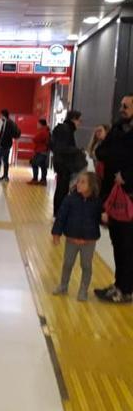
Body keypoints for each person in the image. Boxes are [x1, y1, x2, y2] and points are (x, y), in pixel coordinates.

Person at [94, 94, 133, 304]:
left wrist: (125, 176)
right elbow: (101, 151)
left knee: (127, 246)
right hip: (112, 195)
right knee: (117, 243)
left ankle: (126, 289)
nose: (122, 109)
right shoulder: (118, 128)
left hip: (129, 197)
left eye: (126, 106)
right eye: (121, 105)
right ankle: (119, 285)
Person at [52, 172, 102, 302]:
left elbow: (100, 219)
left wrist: (105, 219)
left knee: (86, 266)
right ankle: (63, 286)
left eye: (83, 182)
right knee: (68, 263)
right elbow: (61, 216)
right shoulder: (70, 199)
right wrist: (56, 233)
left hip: (89, 241)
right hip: (71, 240)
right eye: (78, 181)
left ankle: (83, 290)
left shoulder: (97, 202)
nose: (78, 184)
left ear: (91, 185)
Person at [51, 110, 85, 217]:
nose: (80, 123)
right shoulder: (66, 129)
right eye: (79, 120)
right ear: (73, 119)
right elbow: (62, 148)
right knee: (62, 189)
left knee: (61, 188)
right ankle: (59, 213)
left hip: (61, 163)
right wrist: (77, 150)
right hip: (64, 165)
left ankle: (58, 212)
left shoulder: (63, 128)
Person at [0, 109, 19, 182]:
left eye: (0, 115)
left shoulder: (7, 122)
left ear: (3, 115)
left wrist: (0, 143)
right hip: (6, 144)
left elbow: (4, 134)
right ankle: (2, 176)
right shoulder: (9, 122)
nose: (0, 116)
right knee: (2, 159)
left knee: (1, 159)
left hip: (4, 145)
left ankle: (2, 176)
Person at [29, 119, 51, 185]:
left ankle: (35, 179)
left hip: (41, 151)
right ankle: (43, 180)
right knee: (43, 166)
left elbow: (35, 139)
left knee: (34, 163)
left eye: (38, 124)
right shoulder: (47, 130)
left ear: (41, 124)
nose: (37, 125)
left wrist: (34, 139)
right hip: (44, 151)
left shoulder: (43, 131)